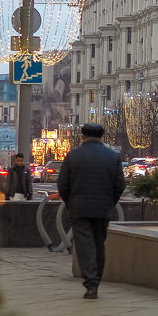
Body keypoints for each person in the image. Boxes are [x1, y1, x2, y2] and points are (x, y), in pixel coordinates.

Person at [57, 123, 126, 300]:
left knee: (84, 245)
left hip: (79, 209)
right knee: (98, 244)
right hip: (103, 209)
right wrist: (110, 202)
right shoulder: (113, 157)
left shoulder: (73, 156)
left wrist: (70, 202)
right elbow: (120, 185)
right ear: (101, 136)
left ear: (82, 136)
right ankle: (96, 279)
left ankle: (91, 283)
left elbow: (63, 184)